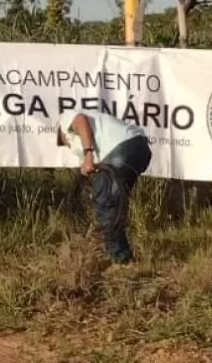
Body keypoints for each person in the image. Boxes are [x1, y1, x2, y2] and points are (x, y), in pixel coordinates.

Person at [57, 111, 152, 265]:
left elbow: (80, 120)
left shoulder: (65, 120)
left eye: (63, 142)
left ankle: (121, 260)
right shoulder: (83, 142)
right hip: (140, 149)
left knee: (106, 203)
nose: (66, 145)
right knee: (112, 203)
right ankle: (118, 253)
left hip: (122, 147)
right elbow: (95, 169)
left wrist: (88, 154)